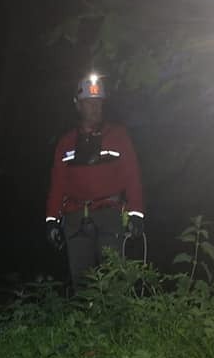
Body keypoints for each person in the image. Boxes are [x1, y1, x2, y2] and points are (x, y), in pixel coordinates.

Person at [44, 73, 145, 292]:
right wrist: (51, 220)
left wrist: (136, 214)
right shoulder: (66, 142)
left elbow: (132, 176)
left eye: (98, 102)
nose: (95, 108)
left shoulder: (118, 135)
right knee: (82, 280)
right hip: (75, 216)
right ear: (78, 106)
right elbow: (57, 184)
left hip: (110, 214)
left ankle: (116, 323)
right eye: (89, 103)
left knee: (115, 277)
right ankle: (86, 322)